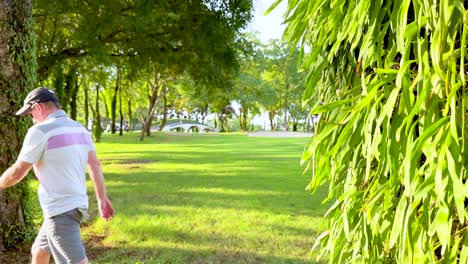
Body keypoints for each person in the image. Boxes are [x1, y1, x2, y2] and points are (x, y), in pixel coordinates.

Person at [0, 87, 115, 264]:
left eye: (30, 114)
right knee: (39, 251)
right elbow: (95, 165)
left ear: (37, 107)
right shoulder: (80, 129)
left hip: (60, 210)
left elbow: (16, 174)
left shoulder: (40, 131)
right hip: (76, 205)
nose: (32, 119)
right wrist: (102, 199)